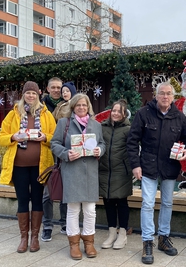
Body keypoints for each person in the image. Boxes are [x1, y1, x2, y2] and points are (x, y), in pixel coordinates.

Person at [127, 81, 186, 265]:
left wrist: (185, 150)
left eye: (168, 94)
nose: (165, 97)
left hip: (170, 167)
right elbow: (132, 141)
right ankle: (148, 241)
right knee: (147, 203)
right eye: (162, 93)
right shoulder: (143, 114)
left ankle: (164, 237)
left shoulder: (179, 117)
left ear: (173, 97)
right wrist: (135, 165)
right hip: (147, 167)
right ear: (156, 96)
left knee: (167, 202)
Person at [0, 81, 56, 254]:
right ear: (23, 95)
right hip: (19, 166)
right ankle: (24, 237)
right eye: (27, 93)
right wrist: (13, 136)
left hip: (40, 167)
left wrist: (45, 137)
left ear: (38, 94)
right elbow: (1, 137)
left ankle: (35, 238)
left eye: (33, 93)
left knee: (38, 200)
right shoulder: (13, 114)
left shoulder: (46, 114)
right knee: (23, 201)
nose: (31, 96)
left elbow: (55, 137)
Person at [51, 93, 105, 260]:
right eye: (78, 105)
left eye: (84, 105)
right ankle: (74, 244)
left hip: (89, 172)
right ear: (73, 107)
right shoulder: (63, 123)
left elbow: (102, 143)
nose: (82, 108)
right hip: (72, 171)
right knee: (73, 210)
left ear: (88, 106)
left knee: (90, 210)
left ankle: (89, 242)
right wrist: (66, 154)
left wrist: (99, 151)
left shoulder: (96, 125)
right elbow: (54, 144)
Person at [99, 99, 132, 250]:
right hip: (105, 169)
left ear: (124, 114)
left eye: (119, 111)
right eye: (114, 110)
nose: (116, 113)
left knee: (122, 202)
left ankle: (123, 234)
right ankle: (112, 232)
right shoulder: (102, 127)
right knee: (108, 202)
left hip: (121, 170)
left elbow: (133, 148)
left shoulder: (128, 129)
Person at [40, 77, 68, 242]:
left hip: (63, 152)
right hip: (47, 152)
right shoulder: (42, 106)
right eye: (54, 87)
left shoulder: (69, 104)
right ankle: (48, 226)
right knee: (47, 193)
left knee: (65, 189)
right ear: (48, 89)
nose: (57, 90)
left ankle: (65, 223)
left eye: (60, 87)